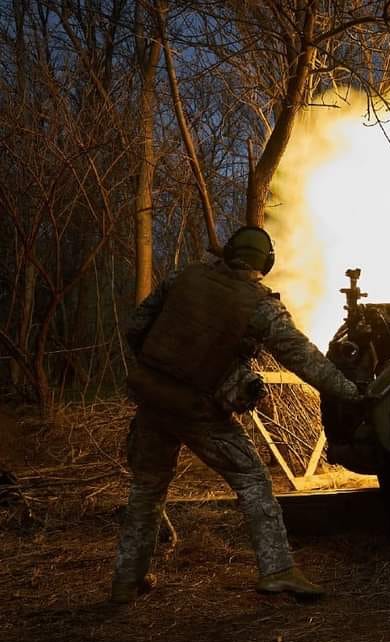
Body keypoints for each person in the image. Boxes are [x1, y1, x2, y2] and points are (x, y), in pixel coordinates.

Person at [111, 226, 360, 603]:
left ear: (228, 252)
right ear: (266, 264)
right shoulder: (258, 305)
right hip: (198, 410)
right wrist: (351, 392)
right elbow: (302, 358)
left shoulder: (184, 276)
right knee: (252, 478)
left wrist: (165, 367)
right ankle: (277, 570)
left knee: (147, 489)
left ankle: (126, 581)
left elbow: (135, 328)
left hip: (152, 399)